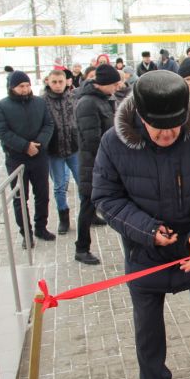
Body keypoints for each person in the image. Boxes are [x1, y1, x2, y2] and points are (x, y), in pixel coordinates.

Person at [91, 70, 190, 379]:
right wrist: (147, 230)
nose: (168, 134)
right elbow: (106, 198)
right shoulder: (113, 142)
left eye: (175, 125)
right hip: (145, 251)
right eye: (159, 128)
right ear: (140, 117)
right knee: (148, 333)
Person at [0, 71, 56, 247]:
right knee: (20, 197)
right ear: (12, 87)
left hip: (39, 156)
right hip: (16, 158)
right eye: (21, 86)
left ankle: (41, 227)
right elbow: (3, 131)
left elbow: (48, 124)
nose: (25, 89)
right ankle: (25, 234)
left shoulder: (39, 103)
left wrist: (38, 144)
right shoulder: (2, 106)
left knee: (42, 194)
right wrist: (24, 146)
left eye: (27, 85)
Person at [73, 64, 122, 264]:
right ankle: (81, 248)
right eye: (115, 84)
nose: (117, 88)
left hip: (102, 162)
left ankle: (93, 218)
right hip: (92, 165)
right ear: (104, 84)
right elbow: (92, 140)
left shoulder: (102, 99)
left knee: (91, 204)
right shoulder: (87, 103)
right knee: (87, 204)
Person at [43, 70, 80, 235]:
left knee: (83, 182)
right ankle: (63, 218)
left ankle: (89, 213)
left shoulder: (73, 98)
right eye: (54, 82)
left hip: (74, 148)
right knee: (59, 186)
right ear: (48, 82)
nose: (58, 85)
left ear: (67, 82)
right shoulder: (42, 101)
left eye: (60, 81)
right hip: (54, 150)